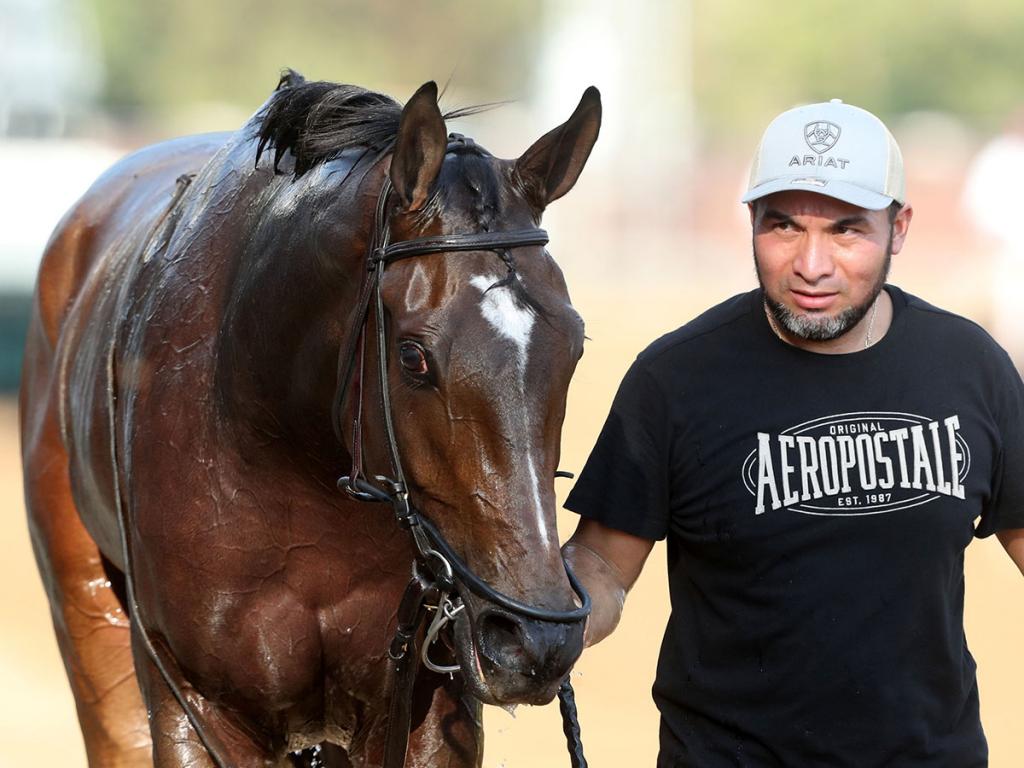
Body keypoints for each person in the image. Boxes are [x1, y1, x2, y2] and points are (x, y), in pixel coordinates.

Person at [562, 99, 1024, 767]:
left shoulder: (971, 367)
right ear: (749, 220)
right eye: (782, 226)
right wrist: (550, 622)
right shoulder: (674, 380)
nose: (811, 264)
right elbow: (602, 564)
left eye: (846, 231)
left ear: (899, 229)